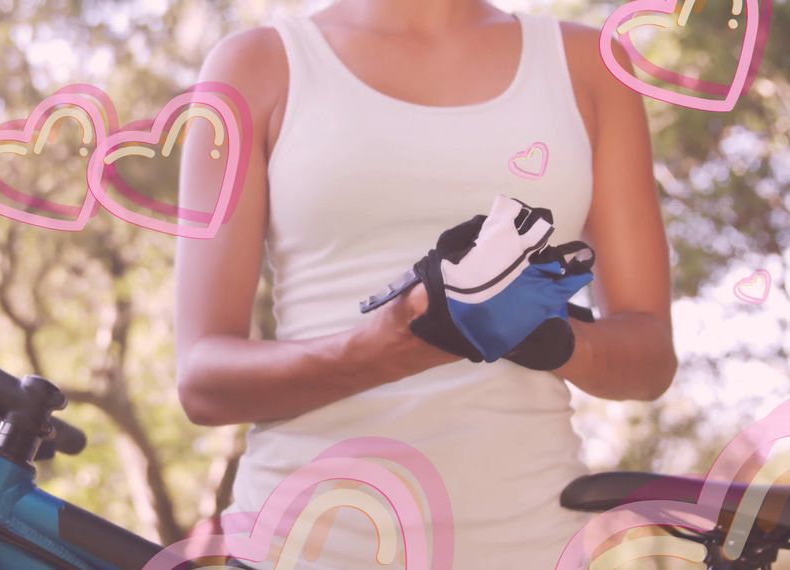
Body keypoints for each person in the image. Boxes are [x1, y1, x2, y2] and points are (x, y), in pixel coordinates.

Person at [174, 0, 678, 567]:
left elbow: (650, 360)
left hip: (532, 546)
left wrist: (552, 338)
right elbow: (202, 381)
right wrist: (385, 347)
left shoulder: (590, 65)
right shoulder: (255, 66)